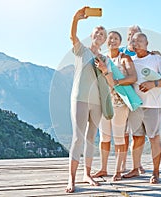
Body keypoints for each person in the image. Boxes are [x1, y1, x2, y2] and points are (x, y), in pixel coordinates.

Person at [65, 7, 113, 193]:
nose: (100, 35)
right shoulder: (82, 51)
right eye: (97, 33)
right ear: (92, 36)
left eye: (103, 34)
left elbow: (111, 82)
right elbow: (72, 36)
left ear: (104, 40)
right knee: (78, 138)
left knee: (91, 139)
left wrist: (104, 69)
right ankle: (72, 178)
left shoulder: (104, 59)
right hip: (80, 99)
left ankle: (87, 174)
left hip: (97, 103)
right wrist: (75, 18)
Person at [122, 32, 161, 184]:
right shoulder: (131, 61)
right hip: (135, 105)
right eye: (133, 41)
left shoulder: (156, 59)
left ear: (147, 43)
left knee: (153, 138)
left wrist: (153, 84)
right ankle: (135, 169)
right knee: (136, 138)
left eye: (140, 41)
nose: (136, 43)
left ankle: (155, 173)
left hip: (153, 106)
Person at [92, 31, 137, 181]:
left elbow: (133, 77)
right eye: (110, 38)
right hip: (104, 102)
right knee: (104, 138)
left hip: (119, 103)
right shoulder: (101, 58)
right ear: (106, 41)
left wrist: (115, 82)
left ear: (120, 42)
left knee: (119, 138)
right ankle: (103, 169)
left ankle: (118, 171)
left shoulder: (124, 58)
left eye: (116, 38)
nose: (113, 40)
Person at [119, 25, 146, 174]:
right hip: (123, 97)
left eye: (135, 34)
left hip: (138, 99)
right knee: (123, 134)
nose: (132, 37)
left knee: (138, 134)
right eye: (130, 34)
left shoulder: (144, 53)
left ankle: (137, 163)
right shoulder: (121, 52)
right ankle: (122, 164)